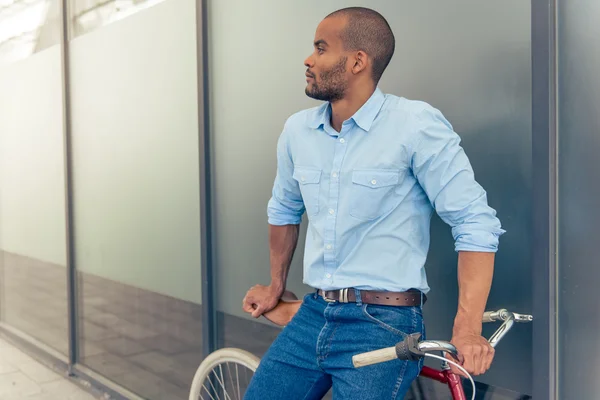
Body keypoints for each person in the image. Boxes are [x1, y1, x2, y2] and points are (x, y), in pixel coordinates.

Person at [242, 6, 505, 399]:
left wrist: (467, 329)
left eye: (320, 48)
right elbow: (284, 209)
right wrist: (275, 284)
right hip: (314, 313)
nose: (308, 59)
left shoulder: (414, 125)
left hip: (382, 322)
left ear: (357, 61)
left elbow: (475, 223)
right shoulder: (298, 131)